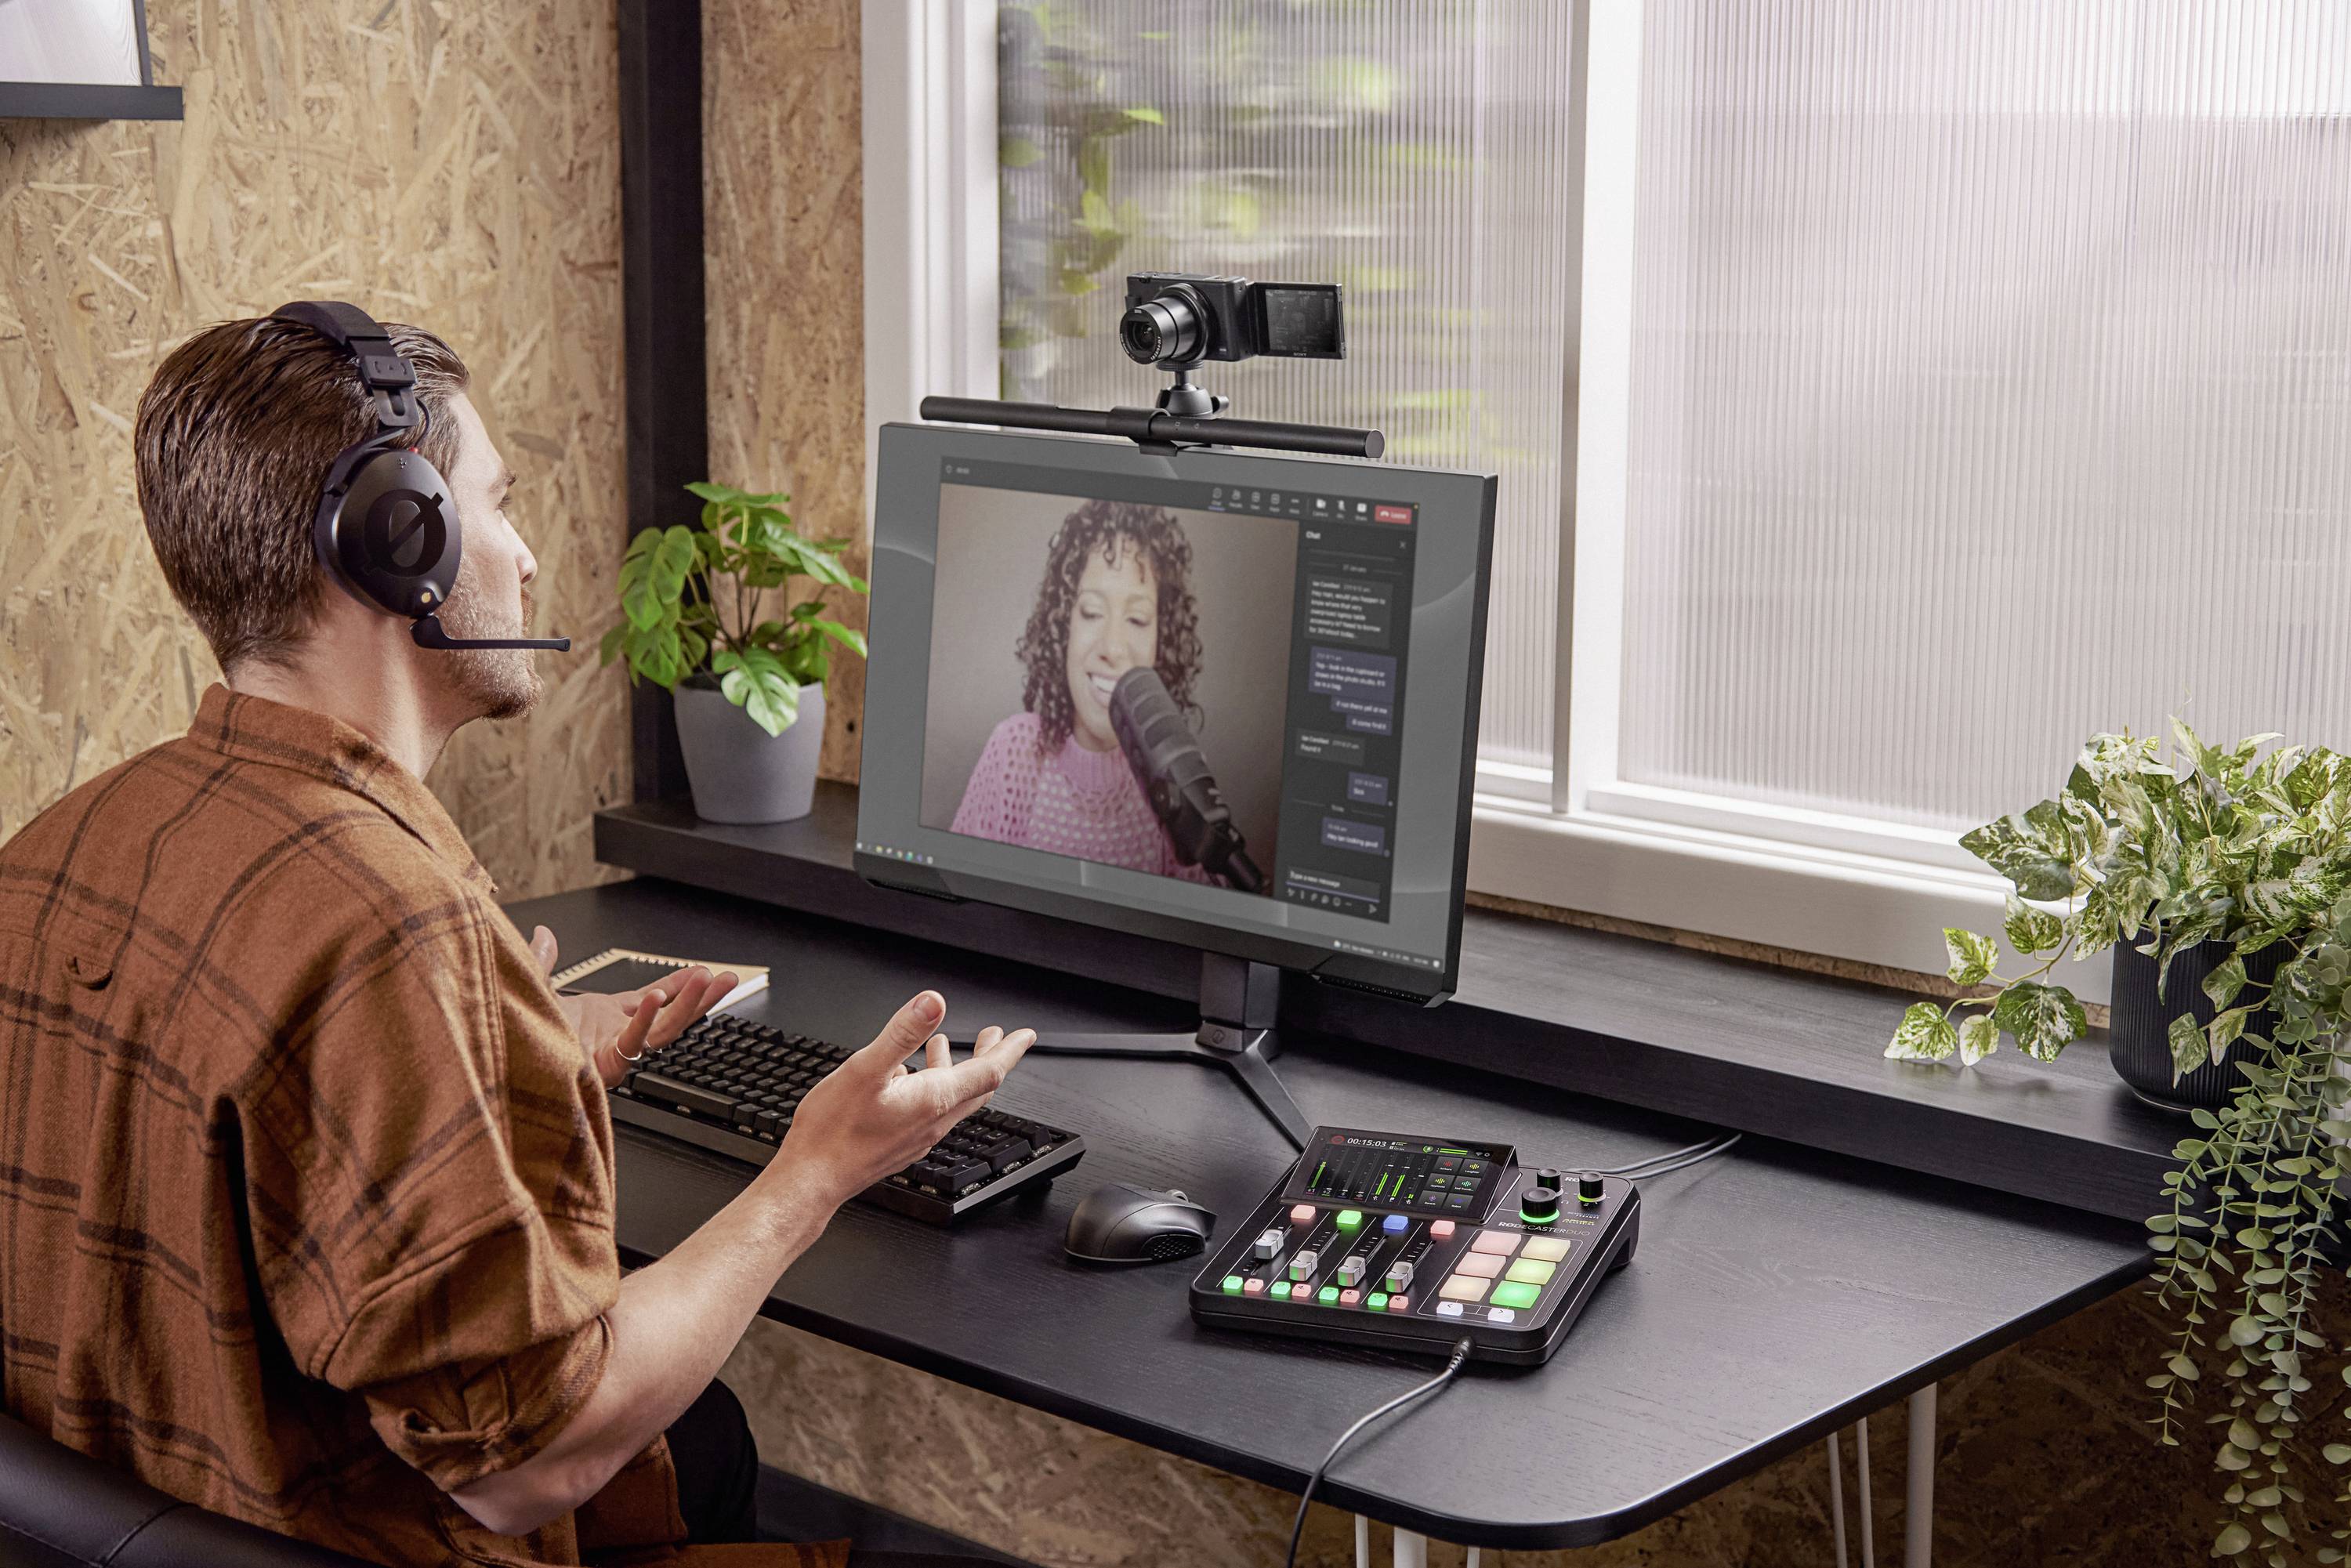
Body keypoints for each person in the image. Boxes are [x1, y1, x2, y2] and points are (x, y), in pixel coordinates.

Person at [0, 311, 1034, 1568]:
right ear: (403, 545)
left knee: (709, 1446)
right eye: (497, 505)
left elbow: (254, 1191)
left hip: (183, 1499)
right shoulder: (387, 922)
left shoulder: (67, 844)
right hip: (380, 1533)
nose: (529, 556)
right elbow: (531, 1466)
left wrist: (505, 1078)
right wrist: (814, 1171)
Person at [947, 498, 1217, 882]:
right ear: (1064, 628)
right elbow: (960, 899)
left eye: (1138, 619)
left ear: (1163, 641)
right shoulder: (1015, 752)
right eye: (1092, 612)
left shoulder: (1179, 773)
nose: (1112, 647)